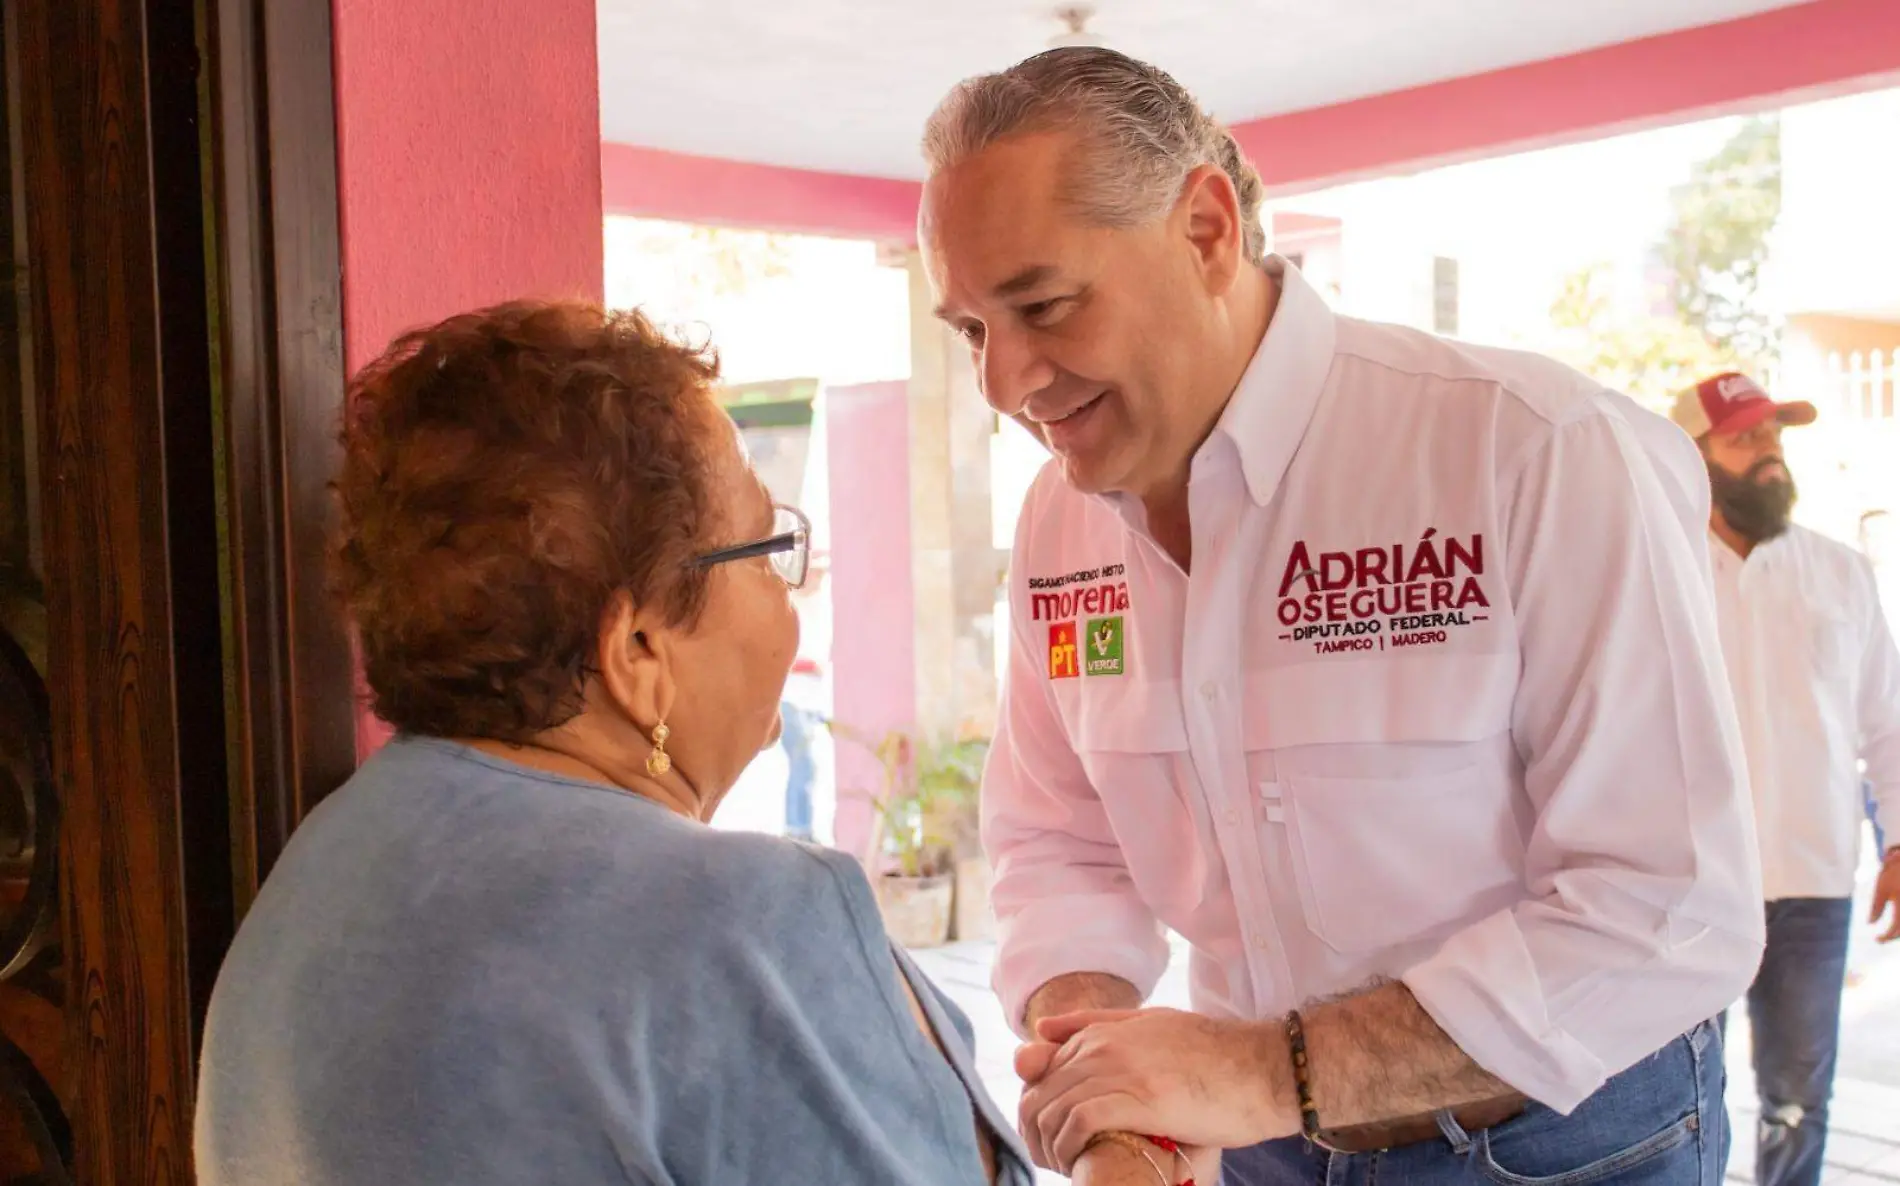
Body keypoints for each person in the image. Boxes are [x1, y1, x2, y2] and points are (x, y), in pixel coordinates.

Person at [917, 47, 1764, 1186]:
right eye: (971, 329)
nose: (1004, 379)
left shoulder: (1531, 451)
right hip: (1256, 1142)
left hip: (1562, 1141)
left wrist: (1271, 1071)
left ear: (1207, 231)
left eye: (1042, 304)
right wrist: (1107, 1087)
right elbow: (1063, 843)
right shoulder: (1058, 531)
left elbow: (1668, 910)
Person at [192, 302, 1055, 1185]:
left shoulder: (315, 873)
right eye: (764, 551)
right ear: (637, 651)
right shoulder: (741, 925)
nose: (788, 595)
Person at [1670, 373, 1900, 1186]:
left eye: (1774, 438)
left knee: (1797, 1100)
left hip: (1811, 886)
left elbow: (1887, 721)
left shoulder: (1841, 572)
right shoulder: (1657, 572)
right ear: (1692, 461)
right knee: (1677, 1100)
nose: (1769, 455)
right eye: (1745, 439)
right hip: (1687, 885)